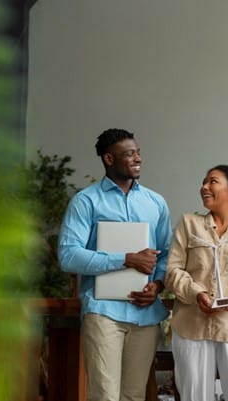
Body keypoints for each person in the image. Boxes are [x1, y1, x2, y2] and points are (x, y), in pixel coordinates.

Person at [58, 128, 172, 401]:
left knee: (133, 396)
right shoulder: (85, 201)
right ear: (109, 159)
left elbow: (168, 254)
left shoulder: (155, 202)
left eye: (138, 152)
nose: (138, 158)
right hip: (104, 313)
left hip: (145, 315)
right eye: (129, 154)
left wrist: (157, 285)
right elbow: (68, 255)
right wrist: (126, 259)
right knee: (104, 395)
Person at [165, 165, 228, 401]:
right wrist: (197, 293)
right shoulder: (189, 224)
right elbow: (172, 271)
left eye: (213, 181)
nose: (204, 187)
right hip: (191, 326)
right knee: (194, 397)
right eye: (204, 182)